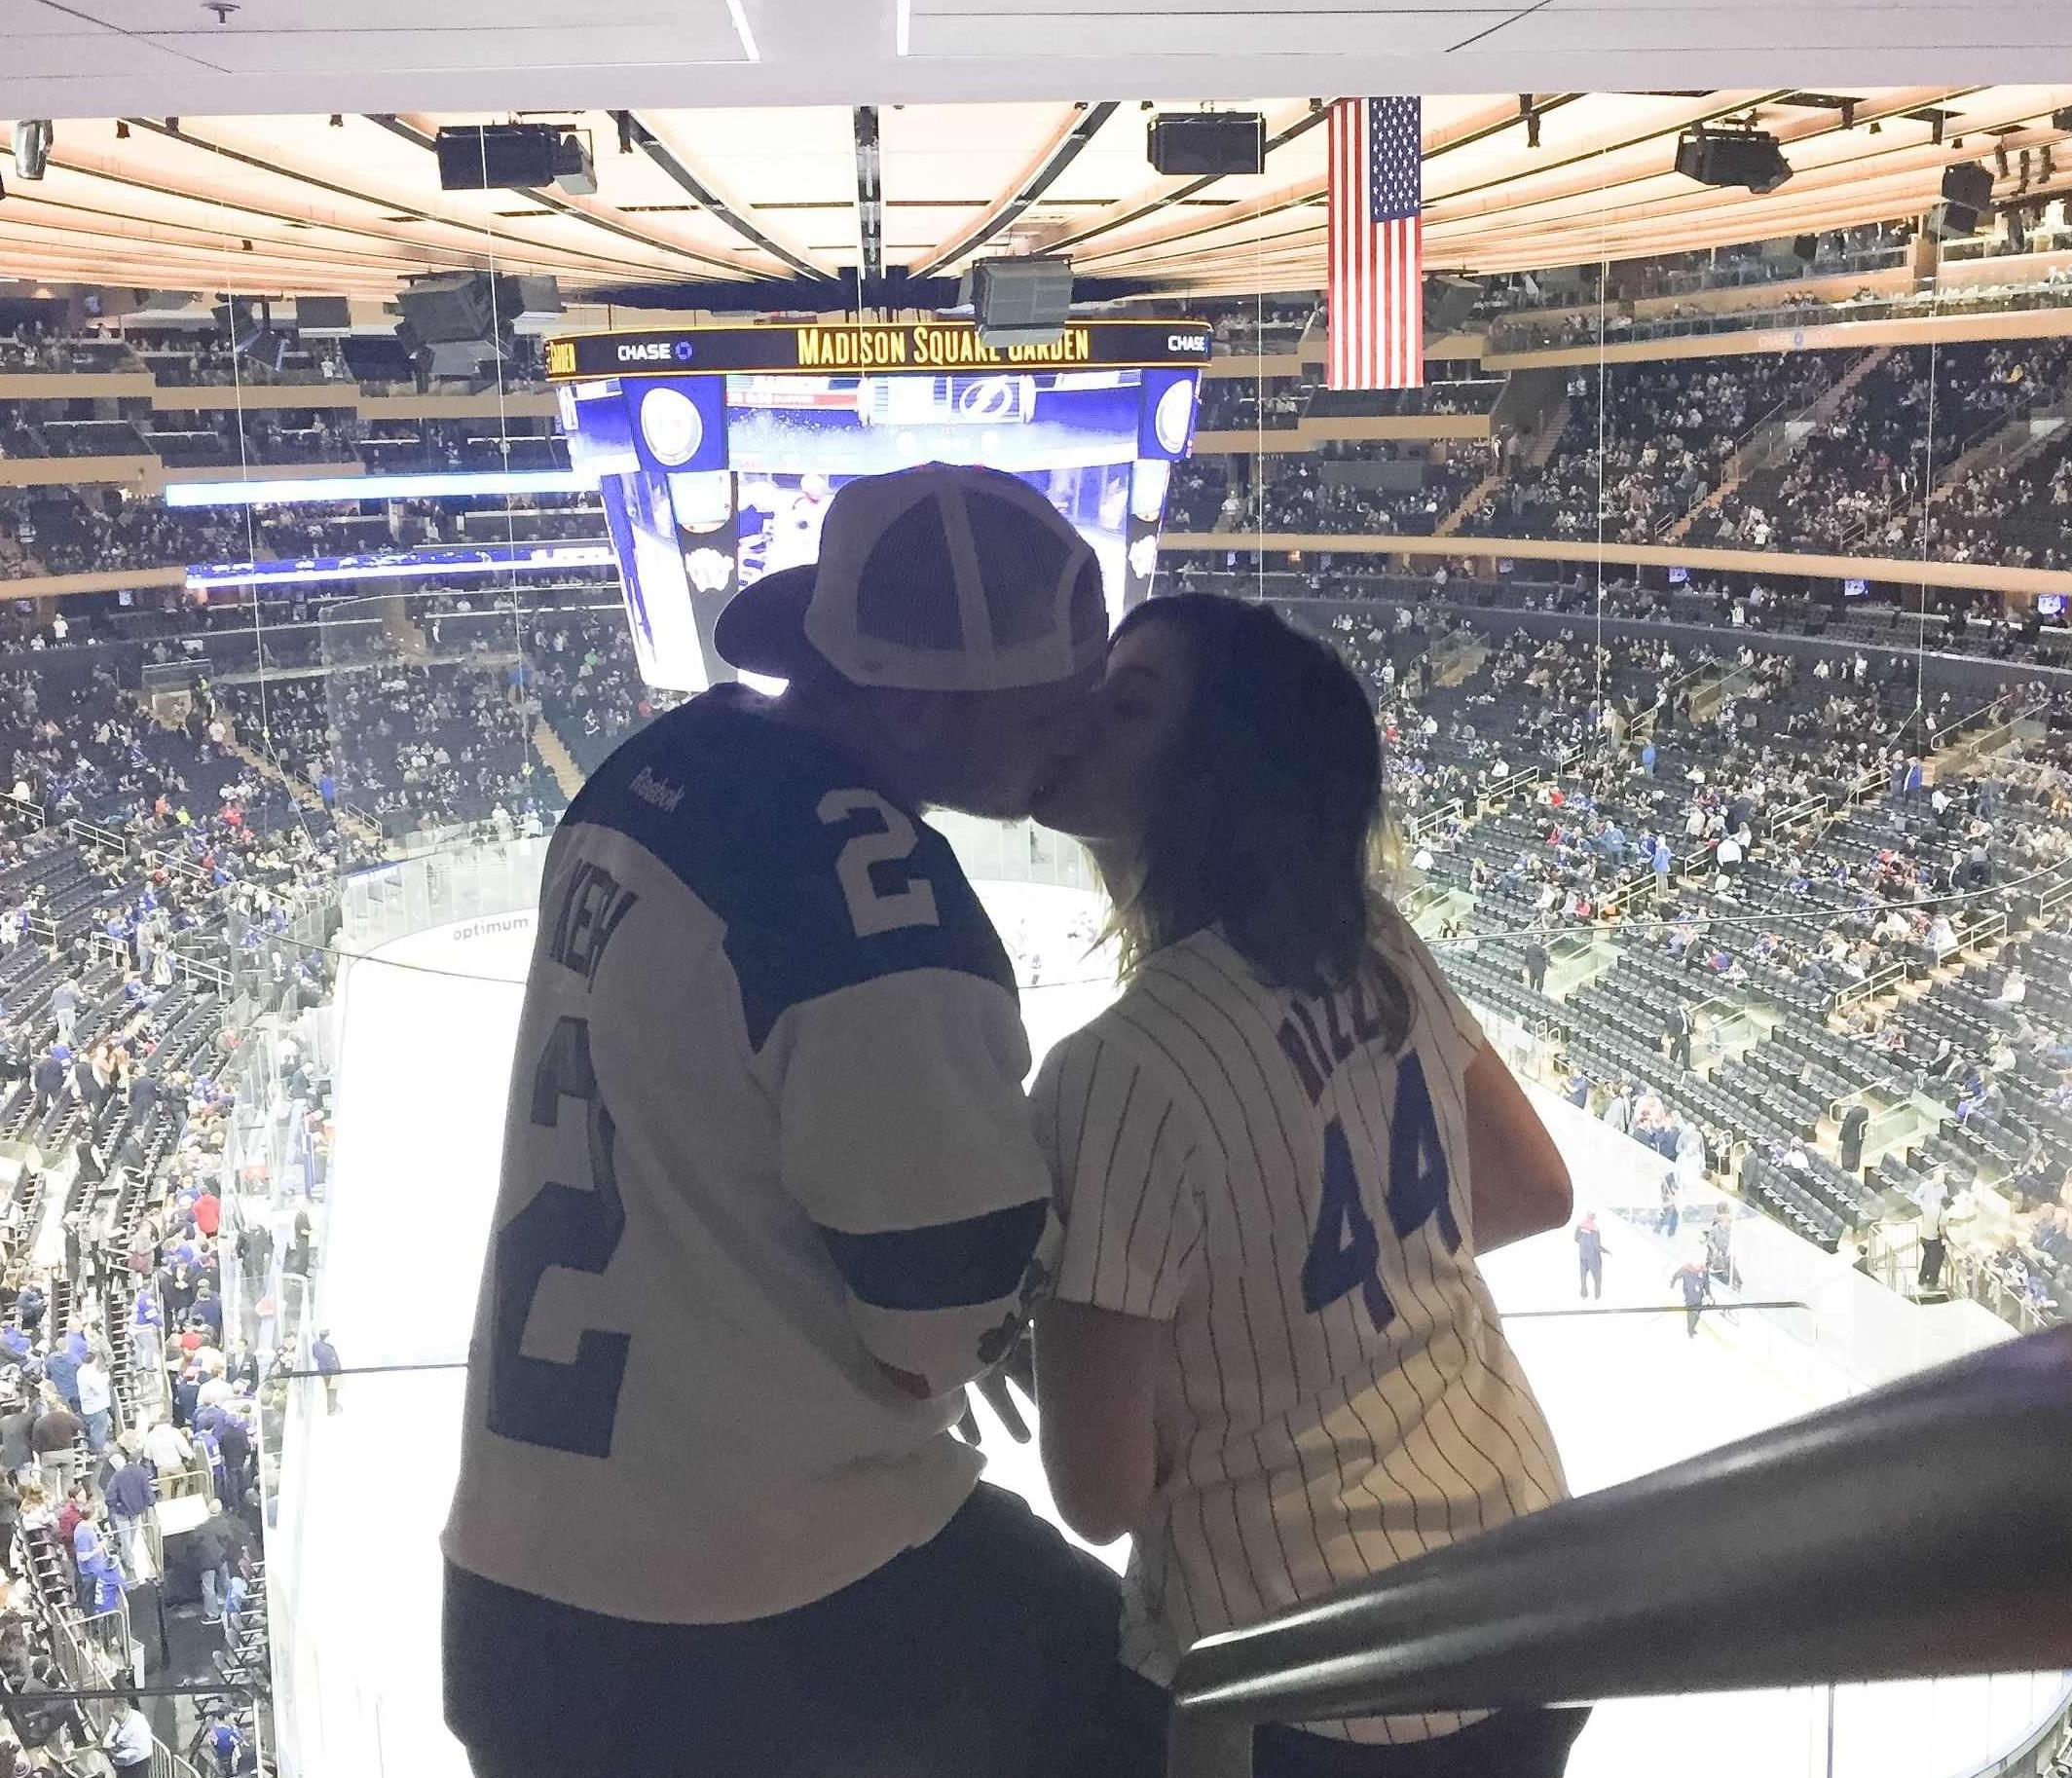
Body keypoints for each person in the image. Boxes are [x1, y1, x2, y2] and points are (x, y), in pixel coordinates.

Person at [442, 467, 1145, 1778]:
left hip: (512, 1602)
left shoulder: (639, 778)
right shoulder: (876, 900)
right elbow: (935, 1325)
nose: (1075, 738)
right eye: (1050, 707)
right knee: (1160, 1692)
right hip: (753, 1612)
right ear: (918, 702)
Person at [1024, 594, 1582, 1778]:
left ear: (1214, 772)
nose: (1082, 714)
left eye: (1128, 702)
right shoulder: (1370, 939)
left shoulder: (1115, 1074)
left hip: (1312, 1674)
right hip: (1527, 1588)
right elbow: (1531, 1187)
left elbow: (1099, 1490)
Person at [1672, 1248, 1713, 1337]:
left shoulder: (1704, 1271)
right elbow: (1676, 1275)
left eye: (1701, 1261)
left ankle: (1692, 1327)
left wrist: (1708, 1294)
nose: (1699, 1263)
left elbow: (1706, 1284)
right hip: (1689, 1297)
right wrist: (1672, 1283)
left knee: (1697, 1315)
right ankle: (1690, 1330)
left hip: (1699, 1297)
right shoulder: (1686, 1269)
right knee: (1691, 1314)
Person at [1575, 1210, 1606, 1300]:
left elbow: (1576, 1238)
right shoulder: (1595, 1229)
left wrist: (1584, 1244)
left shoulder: (1580, 1226)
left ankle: (1584, 1295)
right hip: (1593, 1258)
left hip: (1583, 1256)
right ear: (1593, 1217)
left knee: (1583, 1278)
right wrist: (1605, 1251)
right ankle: (1597, 1297)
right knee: (1597, 1279)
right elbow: (1596, 1246)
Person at [311, 1330, 342, 1415]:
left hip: (324, 1371)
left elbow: (315, 1356)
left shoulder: (316, 1345)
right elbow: (333, 1361)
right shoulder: (327, 1348)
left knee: (329, 1390)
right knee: (332, 1390)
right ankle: (331, 1409)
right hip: (332, 1371)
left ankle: (332, 1406)